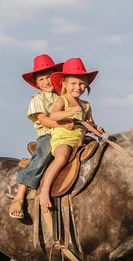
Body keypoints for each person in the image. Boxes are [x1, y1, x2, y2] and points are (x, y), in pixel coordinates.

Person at [9, 54, 74, 218]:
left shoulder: (64, 97)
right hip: (49, 135)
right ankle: (19, 196)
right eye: (42, 79)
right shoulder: (37, 99)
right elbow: (43, 119)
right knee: (43, 155)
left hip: (69, 134)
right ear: (36, 84)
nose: (46, 82)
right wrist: (61, 124)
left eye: (49, 78)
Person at [38, 58, 104, 208]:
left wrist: (96, 129)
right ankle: (44, 191)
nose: (78, 87)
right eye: (73, 83)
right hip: (63, 139)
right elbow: (53, 116)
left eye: (81, 83)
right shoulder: (63, 100)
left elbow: (89, 123)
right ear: (64, 84)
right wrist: (69, 112)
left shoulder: (86, 105)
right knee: (61, 157)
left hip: (80, 141)